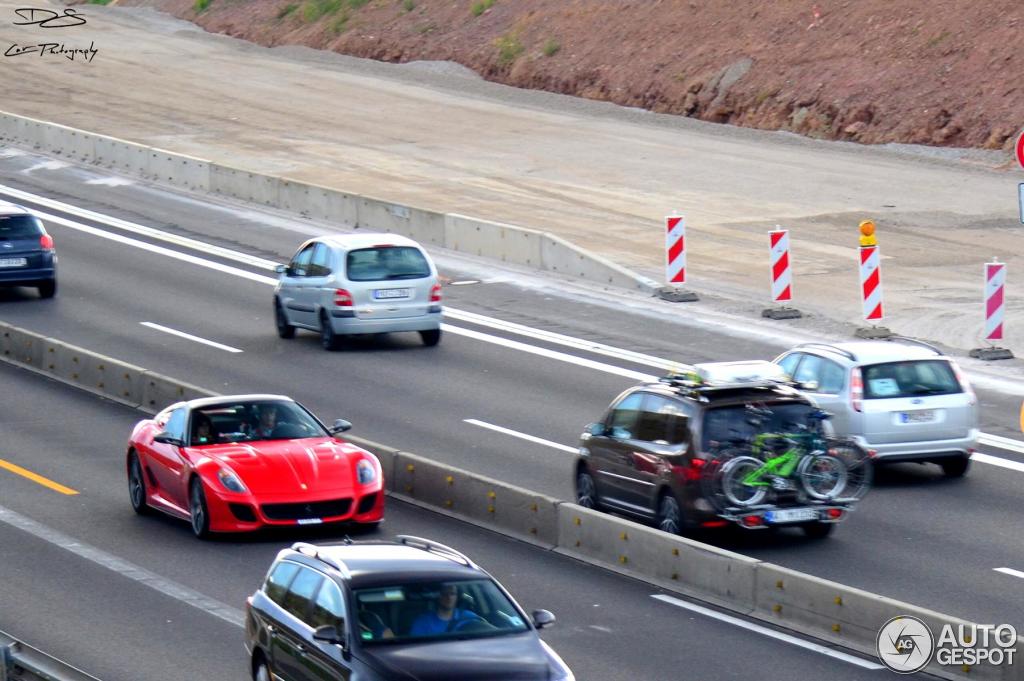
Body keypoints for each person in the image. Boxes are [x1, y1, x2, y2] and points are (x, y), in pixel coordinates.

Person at [409, 584, 480, 636]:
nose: (449, 598)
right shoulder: (423, 622)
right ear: (438, 597)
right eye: (444, 594)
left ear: (457, 597)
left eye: (452, 594)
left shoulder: (470, 617)